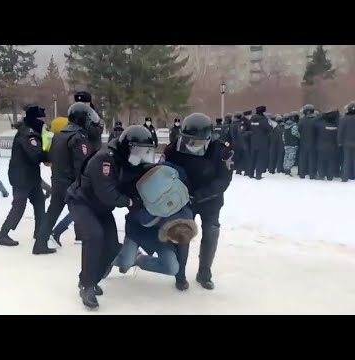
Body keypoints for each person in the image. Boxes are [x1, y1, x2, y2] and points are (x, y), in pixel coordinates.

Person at [66, 125, 154, 309]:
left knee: (112, 246)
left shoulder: (130, 162)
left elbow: (137, 180)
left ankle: (90, 279)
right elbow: (107, 192)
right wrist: (131, 202)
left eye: (145, 152)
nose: (142, 156)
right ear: (126, 147)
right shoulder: (105, 159)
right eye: (138, 151)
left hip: (102, 208)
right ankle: (87, 285)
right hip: (82, 202)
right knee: (95, 236)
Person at [162, 113, 233, 291]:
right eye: (189, 141)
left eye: (198, 142)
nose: (193, 146)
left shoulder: (222, 150)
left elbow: (223, 181)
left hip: (210, 199)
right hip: (184, 199)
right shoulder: (174, 149)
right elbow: (164, 172)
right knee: (182, 233)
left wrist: (200, 195)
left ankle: (204, 273)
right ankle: (180, 274)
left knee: (211, 231)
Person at [33, 102, 97, 253]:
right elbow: (81, 164)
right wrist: (85, 184)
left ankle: (40, 244)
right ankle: (94, 250)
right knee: (85, 215)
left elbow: (52, 157)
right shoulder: (78, 137)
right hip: (72, 185)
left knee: (52, 214)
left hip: (57, 181)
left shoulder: (59, 135)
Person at [0, 106, 51, 249]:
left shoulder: (31, 131)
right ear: (35, 119)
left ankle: (39, 232)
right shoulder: (28, 134)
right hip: (21, 176)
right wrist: (50, 156)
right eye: (41, 119)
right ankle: (3, 234)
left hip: (30, 175)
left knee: (39, 203)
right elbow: (35, 155)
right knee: (19, 206)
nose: (43, 122)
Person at [248, 106, 271, 180]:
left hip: (253, 140)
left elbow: (249, 128)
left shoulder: (252, 118)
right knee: (260, 159)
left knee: (253, 158)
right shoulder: (263, 119)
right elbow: (267, 129)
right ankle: (258, 175)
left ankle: (250, 173)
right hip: (262, 141)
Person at [315, 111, 339, 181]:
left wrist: (323, 115)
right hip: (332, 146)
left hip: (321, 145)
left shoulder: (321, 125)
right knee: (331, 162)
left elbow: (315, 122)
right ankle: (330, 176)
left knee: (321, 161)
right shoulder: (336, 126)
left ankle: (321, 175)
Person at [298, 104, 318, 179]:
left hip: (303, 142)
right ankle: (312, 174)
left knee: (303, 158)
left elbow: (299, 130)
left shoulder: (302, 120)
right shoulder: (316, 120)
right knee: (312, 158)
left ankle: (302, 174)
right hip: (313, 142)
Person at [338, 101, 355, 182]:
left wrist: (339, 142)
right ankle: (353, 175)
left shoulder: (343, 119)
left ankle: (345, 176)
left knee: (346, 160)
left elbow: (340, 131)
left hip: (346, 142)